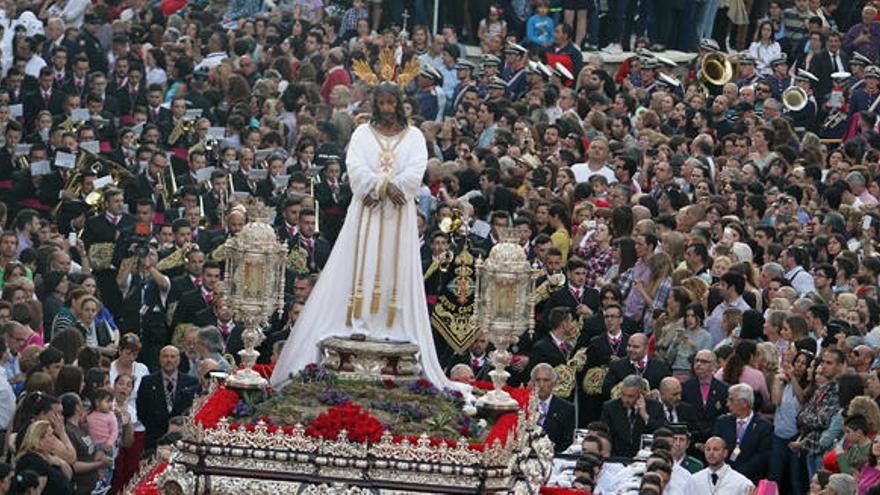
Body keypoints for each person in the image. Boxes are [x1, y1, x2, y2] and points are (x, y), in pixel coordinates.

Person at [271, 78, 465, 394]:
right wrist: (381, 186)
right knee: (359, 264)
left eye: (392, 103)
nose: (387, 109)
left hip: (397, 216)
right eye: (382, 103)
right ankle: (358, 321)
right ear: (376, 105)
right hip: (367, 213)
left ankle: (391, 323)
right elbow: (355, 166)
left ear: (399, 104)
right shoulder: (362, 133)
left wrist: (391, 186)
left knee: (394, 265)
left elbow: (417, 169)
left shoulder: (414, 136)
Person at [136, 346, 199, 450]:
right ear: (160, 359)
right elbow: (141, 410)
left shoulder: (191, 382)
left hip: (182, 439)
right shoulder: (147, 381)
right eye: (165, 356)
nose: (169, 360)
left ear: (178, 359)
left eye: (172, 356)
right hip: (154, 438)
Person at [685, 436, 755, 494]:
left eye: (716, 449)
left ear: (725, 453)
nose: (711, 453)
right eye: (708, 449)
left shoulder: (742, 483)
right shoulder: (694, 480)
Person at [530, 363, 575, 453]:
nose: (541, 384)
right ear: (532, 382)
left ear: (554, 383)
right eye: (537, 380)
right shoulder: (523, 405)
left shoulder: (567, 408)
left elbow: (567, 442)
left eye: (546, 380)